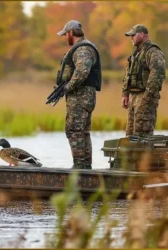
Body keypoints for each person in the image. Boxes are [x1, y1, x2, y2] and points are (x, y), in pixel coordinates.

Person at [56, 20, 101, 170]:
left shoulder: (82, 49)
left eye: (65, 35)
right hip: (83, 96)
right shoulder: (82, 48)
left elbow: (82, 71)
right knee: (81, 131)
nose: (65, 38)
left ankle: (80, 167)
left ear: (70, 33)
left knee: (75, 130)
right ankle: (84, 167)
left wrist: (68, 87)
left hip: (80, 96)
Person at [122, 24, 166, 136]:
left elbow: (158, 73)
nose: (131, 37)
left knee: (142, 135)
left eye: (133, 35)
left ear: (142, 35)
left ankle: (145, 154)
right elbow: (128, 74)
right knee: (130, 136)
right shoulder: (136, 54)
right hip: (133, 97)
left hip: (145, 98)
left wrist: (147, 96)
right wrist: (125, 94)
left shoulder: (153, 51)